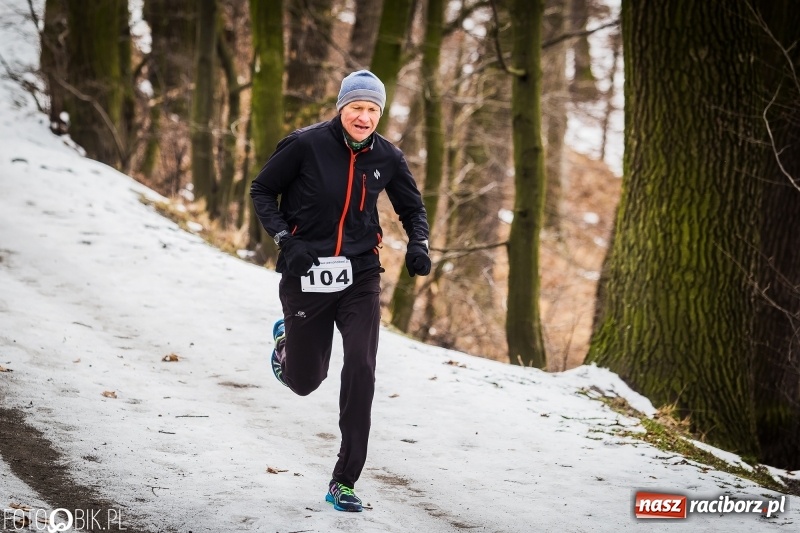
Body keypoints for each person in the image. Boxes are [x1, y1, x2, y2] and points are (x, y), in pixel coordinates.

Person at [250, 70, 431, 512]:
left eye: (373, 110)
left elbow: (412, 207)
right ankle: (286, 347)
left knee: (362, 368)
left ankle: (344, 480)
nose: (364, 117)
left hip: (360, 274)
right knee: (305, 382)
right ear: (341, 107)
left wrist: (419, 244)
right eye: (357, 108)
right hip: (305, 269)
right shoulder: (304, 145)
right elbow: (262, 190)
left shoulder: (388, 157)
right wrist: (284, 241)